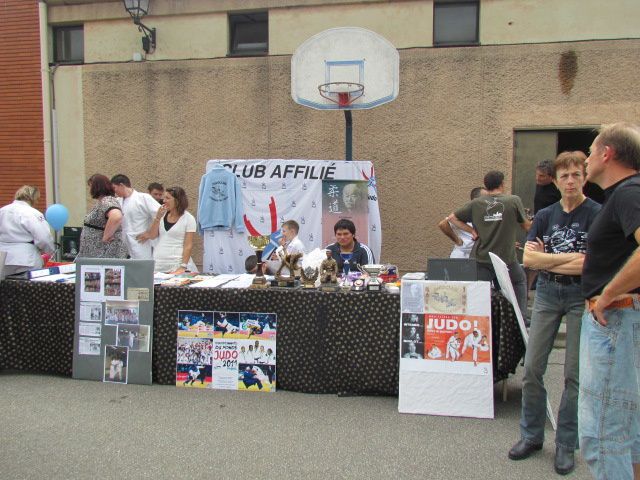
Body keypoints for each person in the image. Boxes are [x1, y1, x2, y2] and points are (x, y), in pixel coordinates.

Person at [508, 151, 601, 475]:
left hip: (580, 297)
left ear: (584, 177)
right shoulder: (546, 216)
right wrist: (570, 258)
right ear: (557, 181)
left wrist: (552, 258)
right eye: (565, 176)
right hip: (547, 293)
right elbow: (531, 262)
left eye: (576, 174)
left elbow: (593, 263)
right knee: (533, 367)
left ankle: (565, 443)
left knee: (573, 375)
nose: (571, 181)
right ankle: (531, 436)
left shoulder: (597, 214)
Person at [578, 123, 640, 479]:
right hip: (620, 321)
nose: (586, 159)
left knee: (604, 436)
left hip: (615, 320)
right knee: (627, 434)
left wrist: (608, 296)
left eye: (590, 151)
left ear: (607, 153)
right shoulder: (621, 196)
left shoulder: (629, 192)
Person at [451, 170, 531, 323]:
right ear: (502, 184)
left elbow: (452, 218)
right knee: (519, 282)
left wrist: (472, 231)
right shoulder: (513, 200)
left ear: (486, 187)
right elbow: (526, 226)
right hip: (506, 258)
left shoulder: (476, 203)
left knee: (479, 292)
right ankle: (520, 318)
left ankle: (477, 321)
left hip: (482, 258)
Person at [138, 186, 197, 273]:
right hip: (159, 263)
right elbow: (153, 235)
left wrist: (183, 266)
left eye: (168, 198)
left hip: (177, 263)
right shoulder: (162, 215)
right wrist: (157, 218)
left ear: (177, 200)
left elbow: (188, 245)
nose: (164, 201)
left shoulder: (188, 218)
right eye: (164, 198)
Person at [0, 185, 55, 275]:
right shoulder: (32, 213)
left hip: (3, 259)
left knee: (6, 288)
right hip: (26, 260)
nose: (37, 202)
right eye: (37, 199)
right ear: (32, 198)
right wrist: (50, 252)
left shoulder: (2, 211)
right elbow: (44, 238)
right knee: (28, 287)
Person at [77, 174, 128, 259]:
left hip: (103, 253)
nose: (90, 190)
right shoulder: (103, 202)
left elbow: (116, 216)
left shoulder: (107, 201)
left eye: (91, 186)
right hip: (96, 253)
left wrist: (106, 236)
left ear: (97, 187)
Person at [111, 174, 160, 259]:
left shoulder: (143, 198)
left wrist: (150, 232)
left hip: (141, 243)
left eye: (115, 188)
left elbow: (161, 215)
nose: (114, 191)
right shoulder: (117, 201)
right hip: (123, 244)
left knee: (141, 269)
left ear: (122, 185)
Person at [438, 187, 485, 259]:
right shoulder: (465, 213)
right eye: (486, 197)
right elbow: (443, 224)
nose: (489, 200)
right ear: (475, 200)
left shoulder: (488, 214)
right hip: (462, 255)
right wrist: (457, 240)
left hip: (479, 256)